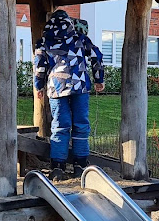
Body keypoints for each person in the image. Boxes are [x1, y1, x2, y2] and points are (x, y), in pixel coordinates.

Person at [33, 10, 105, 180]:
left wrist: (39, 86)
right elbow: (96, 56)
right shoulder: (80, 38)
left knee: (59, 126)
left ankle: (58, 166)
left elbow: (40, 66)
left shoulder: (44, 42)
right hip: (79, 85)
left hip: (56, 88)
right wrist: (98, 79)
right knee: (81, 125)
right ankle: (80, 165)